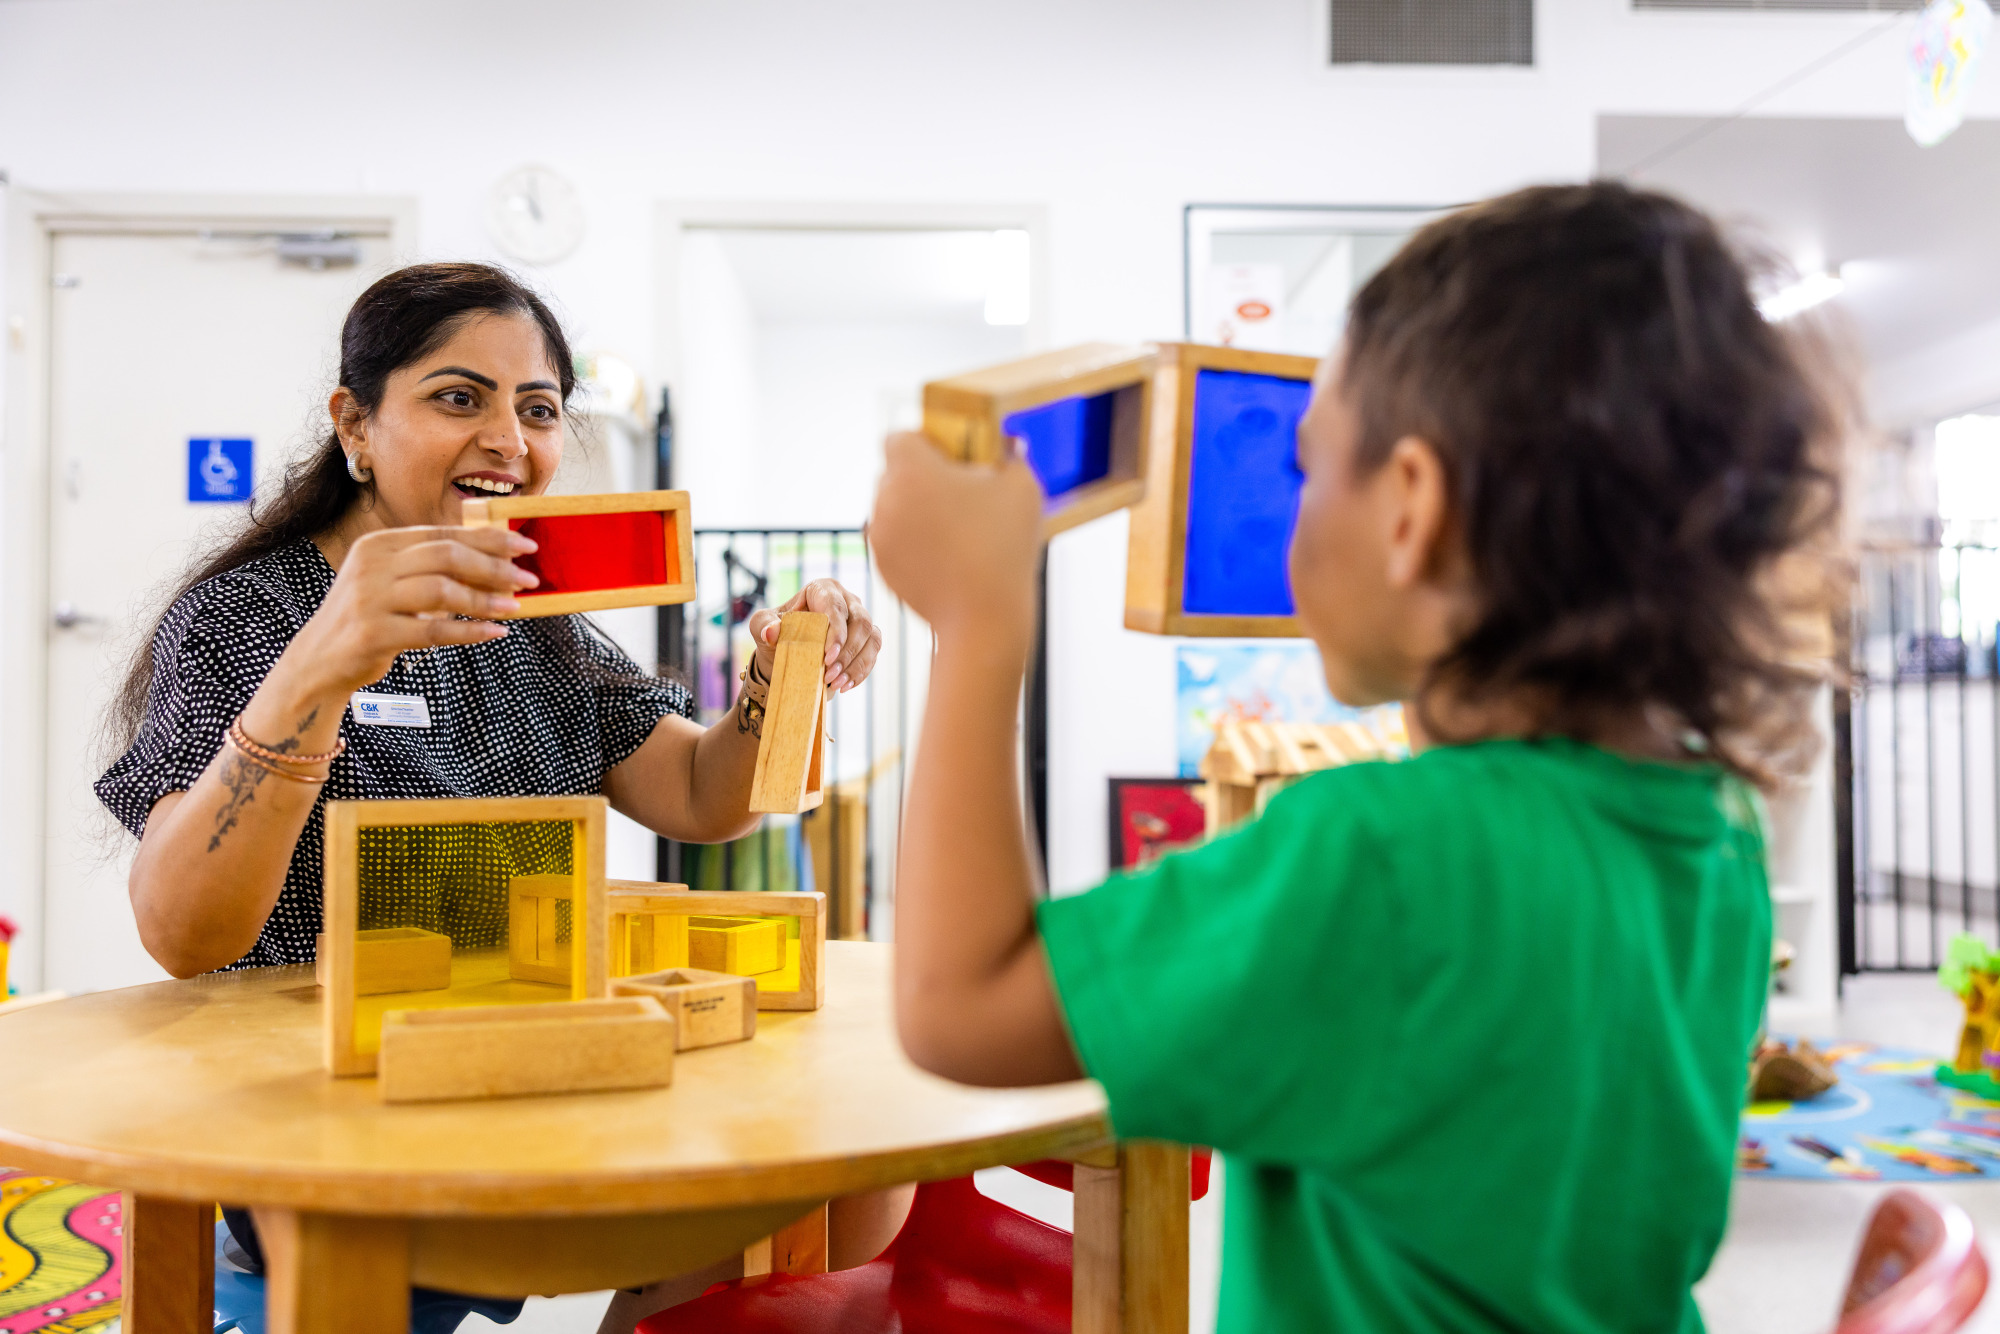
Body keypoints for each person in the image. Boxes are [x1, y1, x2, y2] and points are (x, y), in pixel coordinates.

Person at [867, 183, 1845, 1332]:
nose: (1288, 511)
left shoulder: (1381, 855)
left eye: (1306, 464)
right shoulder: (1714, 830)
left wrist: (977, 628)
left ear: (1409, 508)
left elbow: (959, 1005)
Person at [96, 262, 902, 1330]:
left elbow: (701, 795)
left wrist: (782, 673)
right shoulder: (248, 614)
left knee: (845, 1173)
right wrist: (322, 664)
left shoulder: (535, 615)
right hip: (318, 1102)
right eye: (457, 397)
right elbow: (181, 932)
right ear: (356, 424)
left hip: (527, 1062)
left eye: (538, 409)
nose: (507, 441)